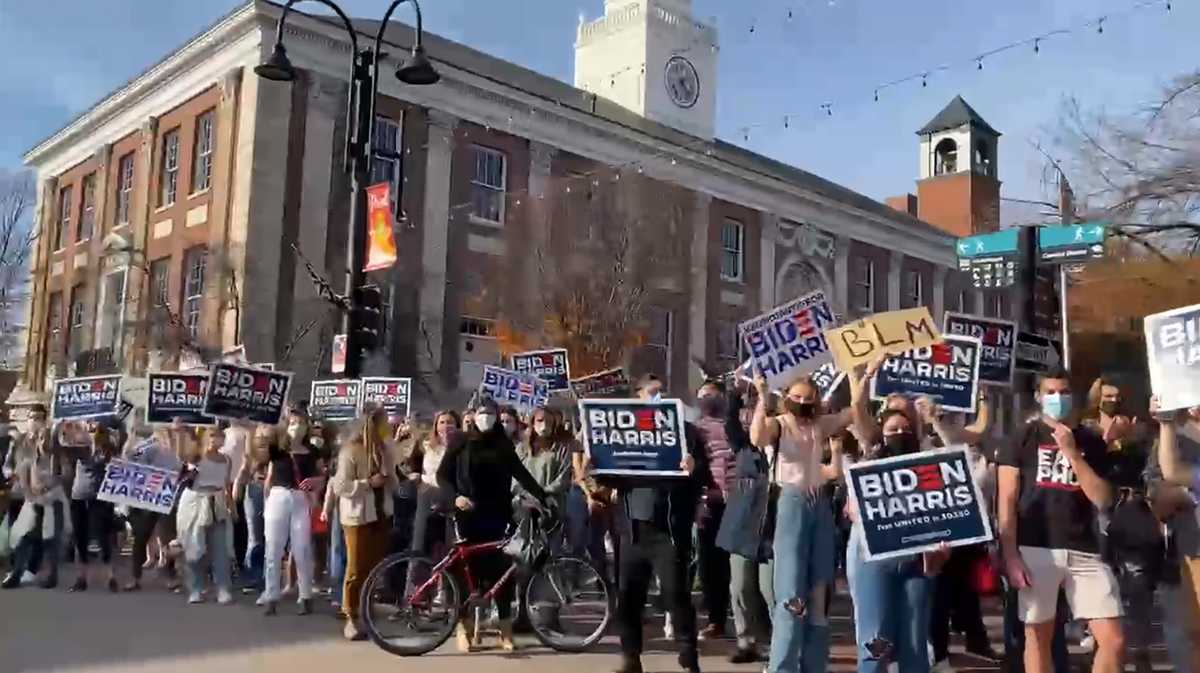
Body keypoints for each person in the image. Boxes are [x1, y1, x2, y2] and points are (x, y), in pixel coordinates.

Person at [997, 370, 1125, 673]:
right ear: (1040, 397)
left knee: (1114, 640)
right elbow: (1006, 499)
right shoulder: (1023, 437)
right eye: (1051, 392)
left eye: (1064, 392)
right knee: (1038, 636)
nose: (1057, 399)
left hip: (1086, 548)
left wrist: (1073, 454)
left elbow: (1102, 498)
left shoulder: (1090, 441)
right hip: (1035, 546)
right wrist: (1011, 555)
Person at [598, 373, 709, 673]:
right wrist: (596, 458)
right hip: (633, 528)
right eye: (651, 393)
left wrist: (693, 466)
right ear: (637, 399)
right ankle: (631, 657)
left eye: (661, 393)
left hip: (668, 530)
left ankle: (688, 651)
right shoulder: (622, 433)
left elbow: (703, 478)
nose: (657, 398)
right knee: (629, 597)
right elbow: (608, 477)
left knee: (675, 593)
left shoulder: (687, 434)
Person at [846, 362, 951, 673]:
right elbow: (856, 407)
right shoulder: (872, 456)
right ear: (881, 431)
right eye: (892, 429)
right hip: (875, 557)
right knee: (875, 642)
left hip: (919, 560)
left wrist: (943, 549)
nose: (899, 433)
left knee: (915, 644)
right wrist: (865, 375)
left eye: (906, 428)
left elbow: (948, 508)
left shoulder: (929, 459)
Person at [751, 373, 850, 673]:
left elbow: (853, 413)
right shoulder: (779, 423)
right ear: (787, 398)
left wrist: (863, 377)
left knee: (819, 590)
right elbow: (757, 437)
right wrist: (761, 396)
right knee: (791, 594)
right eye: (797, 398)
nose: (803, 403)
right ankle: (782, 667)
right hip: (790, 502)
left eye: (809, 398)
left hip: (818, 503)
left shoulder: (820, 424)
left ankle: (814, 665)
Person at [438, 398, 549, 653]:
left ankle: (505, 629)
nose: (485, 417)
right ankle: (463, 628)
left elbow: (521, 473)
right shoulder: (460, 441)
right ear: (474, 416)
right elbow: (442, 475)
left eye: (490, 413)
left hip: (498, 514)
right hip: (466, 513)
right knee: (465, 573)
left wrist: (543, 496)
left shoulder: (502, 443)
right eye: (481, 412)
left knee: (501, 572)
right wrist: (455, 497)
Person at [1081, 378, 1158, 673]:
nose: (1112, 400)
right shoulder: (1087, 428)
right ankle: (1102, 645)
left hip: (1131, 507)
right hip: (1100, 507)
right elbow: (1086, 465)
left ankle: (1140, 649)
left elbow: (1143, 466)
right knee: (1103, 579)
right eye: (1107, 395)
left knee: (1137, 580)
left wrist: (1133, 437)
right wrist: (1106, 439)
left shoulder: (1133, 426)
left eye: (1116, 395)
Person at [716, 380, 776, 664]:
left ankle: (779, 643)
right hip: (743, 524)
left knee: (769, 591)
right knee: (739, 587)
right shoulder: (744, 447)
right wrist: (735, 393)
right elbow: (729, 421)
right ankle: (746, 641)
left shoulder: (786, 448)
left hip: (773, 527)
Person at [332, 407, 399, 640]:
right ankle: (350, 616)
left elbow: (393, 479)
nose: (387, 427)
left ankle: (367, 612)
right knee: (356, 568)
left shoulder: (385, 449)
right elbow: (340, 486)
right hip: (357, 516)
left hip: (381, 513)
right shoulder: (351, 450)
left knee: (373, 567)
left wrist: (394, 477)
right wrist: (368, 483)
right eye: (382, 423)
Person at [1148, 397, 1200, 673]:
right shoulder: (1176, 437)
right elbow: (1169, 475)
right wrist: (1166, 424)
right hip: (1190, 553)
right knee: (1189, 636)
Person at [260, 421, 323, 616]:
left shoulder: (312, 451)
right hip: (278, 496)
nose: (297, 427)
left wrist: (316, 483)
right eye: (293, 422)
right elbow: (268, 476)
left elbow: (322, 476)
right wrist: (266, 501)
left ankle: (305, 596)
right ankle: (271, 595)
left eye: (300, 423)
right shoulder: (278, 448)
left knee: (302, 548)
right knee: (273, 548)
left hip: (300, 498)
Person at [693, 380, 737, 641]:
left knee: (738, 565)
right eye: (702, 396)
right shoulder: (695, 430)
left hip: (738, 502)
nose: (706, 399)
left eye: (710, 395)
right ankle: (716, 620)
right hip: (708, 503)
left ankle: (746, 619)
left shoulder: (736, 425)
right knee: (710, 564)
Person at [3, 413, 66, 590]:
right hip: (35, 505)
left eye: (49, 439)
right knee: (24, 538)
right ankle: (16, 573)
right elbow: (23, 476)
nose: (45, 442)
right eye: (42, 438)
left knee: (52, 541)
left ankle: (51, 576)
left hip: (54, 504)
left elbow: (65, 476)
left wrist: (47, 487)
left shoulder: (58, 458)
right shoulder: (32, 458)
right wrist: (31, 494)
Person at [176, 424, 235, 605]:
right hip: (195, 501)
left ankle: (223, 588)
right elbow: (181, 456)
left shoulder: (226, 459)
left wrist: (232, 507)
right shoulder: (197, 456)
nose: (215, 439)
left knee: (220, 548)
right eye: (211, 435)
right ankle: (196, 588)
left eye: (218, 436)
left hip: (217, 503)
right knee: (194, 548)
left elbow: (226, 485)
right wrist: (179, 433)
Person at [123, 425, 184, 591]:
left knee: (168, 538)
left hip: (167, 497)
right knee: (141, 537)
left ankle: (170, 576)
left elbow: (180, 469)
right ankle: (135, 578)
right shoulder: (148, 447)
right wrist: (131, 440)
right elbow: (131, 460)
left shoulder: (176, 450)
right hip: (149, 498)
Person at [65, 418, 124, 593]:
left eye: (96, 424)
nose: (92, 426)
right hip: (79, 496)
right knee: (80, 538)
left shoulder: (109, 446)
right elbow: (61, 443)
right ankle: (81, 579)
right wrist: (64, 426)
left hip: (101, 497)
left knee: (103, 537)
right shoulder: (79, 445)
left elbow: (123, 433)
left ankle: (111, 577)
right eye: (89, 424)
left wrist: (112, 423)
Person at [2, 404, 49, 586]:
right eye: (32, 417)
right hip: (18, 494)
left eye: (39, 418)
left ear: (45, 420)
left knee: (34, 533)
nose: (35, 421)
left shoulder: (49, 441)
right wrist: (9, 473)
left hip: (38, 496)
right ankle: (15, 568)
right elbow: (7, 464)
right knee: (16, 532)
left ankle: (31, 569)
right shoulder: (18, 441)